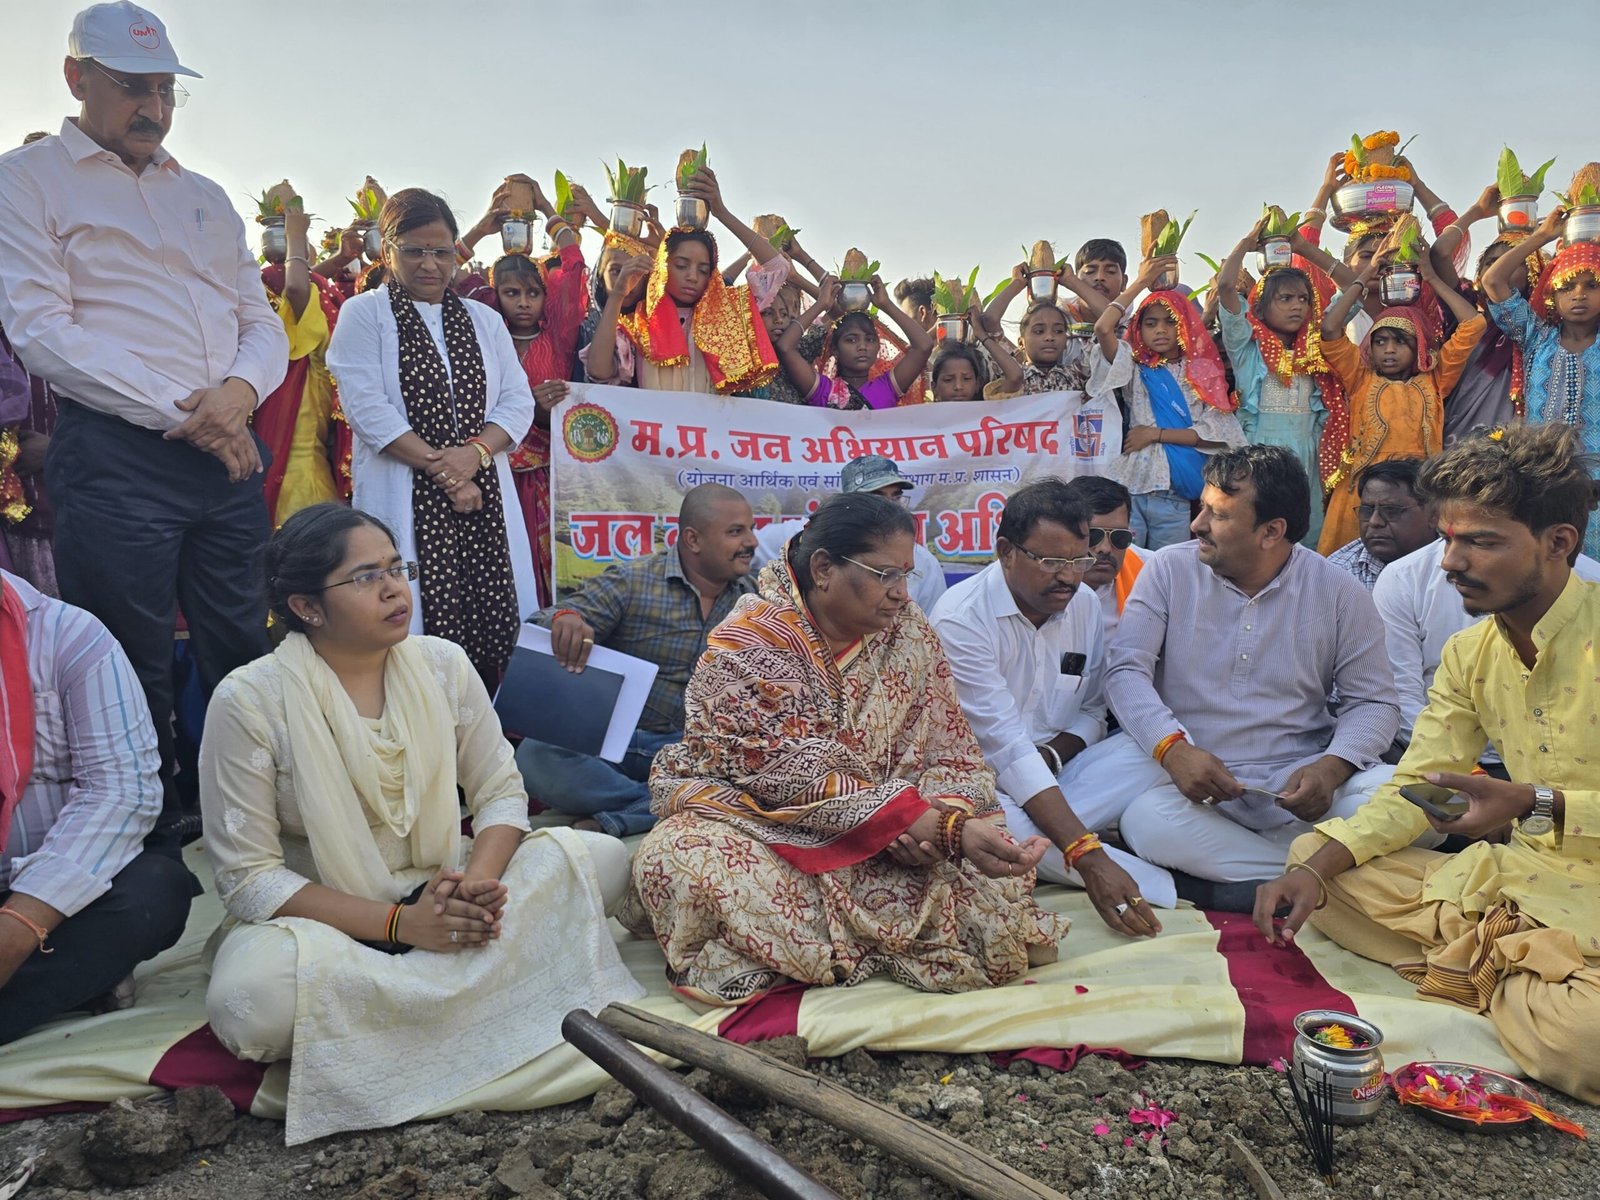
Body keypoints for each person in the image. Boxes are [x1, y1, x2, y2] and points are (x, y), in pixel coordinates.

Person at [199, 505, 642, 1144]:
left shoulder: (441, 663)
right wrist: (403, 925)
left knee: (602, 859)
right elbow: (249, 879)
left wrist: (477, 887)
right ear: (306, 607)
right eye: (363, 577)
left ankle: (410, 993)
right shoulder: (250, 699)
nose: (393, 588)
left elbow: (499, 791)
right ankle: (471, 984)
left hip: (447, 888)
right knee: (253, 1004)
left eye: (396, 569)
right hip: (328, 920)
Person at [0, 3, 288, 837]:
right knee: (129, 654)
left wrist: (237, 398)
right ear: (75, 78)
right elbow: (43, 329)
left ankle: (249, 808)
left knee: (241, 639)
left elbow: (259, 321)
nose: (153, 110)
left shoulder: (204, 195)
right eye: (132, 88)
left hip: (227, 452)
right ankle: (141, 825)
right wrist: (192, 414)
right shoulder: (26, 180)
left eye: (164, 90)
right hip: (118, 455)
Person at [1254, 424, 1600, 1104]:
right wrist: (1312, 868)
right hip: (1522, 879)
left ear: (1559, 543)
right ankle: (1521, 963)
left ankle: (1501, 965)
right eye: (1448, 539)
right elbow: (1418, 787)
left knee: (1582, 1040)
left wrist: (1539, 805)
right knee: (1319, 869)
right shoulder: (1472, 653)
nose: (1449, 562)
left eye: (1481, 541)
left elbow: (1529, 805)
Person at [621, 493, 1064, 1005]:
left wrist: (943, 820)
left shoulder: (909, 632)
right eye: (884, 576)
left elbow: (952, 749)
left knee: (991, 864)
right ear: (824, 568)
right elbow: (785, 775)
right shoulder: (752, 641)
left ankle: (793, 952)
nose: (901, 594)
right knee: (680, 857)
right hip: (766, 826)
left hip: (900, 837)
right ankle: (780, 946)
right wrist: (919, 821)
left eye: (906, 575)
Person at [1108, 445, 1400, 895]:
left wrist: (1331, 768)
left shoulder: (1339, 591)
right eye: (1202, 508)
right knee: (1147, 822)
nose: (1197, 525)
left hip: (1304, 785)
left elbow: (1374, 702)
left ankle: (1284, 873)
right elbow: (1126, 670)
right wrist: (1173, 750)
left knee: (1396, 795)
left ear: (1271, 531)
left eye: (1218, 515)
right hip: (1197, 783)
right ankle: (1326, 874)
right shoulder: (1168, 570)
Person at [929, 480, 1168, 932]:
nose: (1070, 576)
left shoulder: (1082, 605)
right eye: (1052, 562)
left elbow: (1094, 712)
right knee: (997, 829)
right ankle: (1170, 884)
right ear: (1006, 551)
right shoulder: (961, 618)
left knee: (1162, 746)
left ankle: (1054, 843)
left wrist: (1055, 754)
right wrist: (1088, 857)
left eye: (1078, 560)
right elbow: (1005, 748)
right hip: (986, 783)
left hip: (1064, 774)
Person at [325, 188, 537, 689]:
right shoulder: (366, 314)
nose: (430, 265)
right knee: (410, 629)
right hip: (404, 491)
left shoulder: (484, 320)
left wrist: (476, 453)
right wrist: (446, 469)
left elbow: (517, 401)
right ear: (388, 251)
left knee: (493, 612)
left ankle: (487, 734)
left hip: (484, 495)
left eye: (441, 252)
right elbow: (367, 408)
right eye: (415, 251)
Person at [0, 569, 190, 1044]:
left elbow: (122, 793)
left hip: (49, 904)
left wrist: (19, 924)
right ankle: (63, 988)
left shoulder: (69, 635)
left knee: (153, 891)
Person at [516, 484, 758, 837]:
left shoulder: (754, 600)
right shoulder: (633, 581)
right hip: (617, 742)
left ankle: (630, 814)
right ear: (693, 540)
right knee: (535, 757)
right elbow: (546, 622)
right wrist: (564, 618)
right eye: (736, 531)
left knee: (764, 771)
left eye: (751, 529)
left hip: (696, 754)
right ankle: (666, 805)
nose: (751, 541)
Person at [1315, 250, 1485, 555]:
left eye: (1400, 342)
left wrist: (1431, 277)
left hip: (1420, 492)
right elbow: (1330, 330)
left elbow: (1473, 324)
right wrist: (1363, 280)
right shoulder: (1360, 376)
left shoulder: (1435, 378)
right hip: (1364, 494)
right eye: (1380, 342)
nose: (1389, 351)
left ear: (1419, 345)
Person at [470, 177, 588, 608]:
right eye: (511, 293)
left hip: (547, 470)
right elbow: (444, 283)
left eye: (533, 293)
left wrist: (546, 209)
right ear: (495, 296)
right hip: (493, 465)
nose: (523, 302)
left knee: (547, 563)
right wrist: (483, 229)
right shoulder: (485, 334)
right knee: (502, 563)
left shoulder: (557, 336)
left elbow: (573, 265)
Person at [1092, 255, 1247, 549]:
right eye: (1151, 323)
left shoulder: (1200, 370)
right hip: (1131, 492)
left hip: (1174, 497)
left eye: (1170, 322)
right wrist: (1140, 282)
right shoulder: (1135, 368)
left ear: (1185, 325)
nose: (1160, 330)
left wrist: (1155, 435)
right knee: (1127, 566)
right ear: (1139, 329)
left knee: (1167, 571)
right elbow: (1102, 329)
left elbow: (1221, 435)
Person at [586, 167, 786, 394]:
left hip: (712, 428)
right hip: (656, 428)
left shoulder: (727, 310)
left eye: (703, 270)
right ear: (662, 266)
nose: (692, 276)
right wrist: (618, 294)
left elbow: (777, 268)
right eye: (681, 266)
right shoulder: (641, 320)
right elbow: (599, 372)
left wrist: (721, 212)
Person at [1215, 218, 1346, 548]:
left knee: (1305, 544)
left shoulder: (1316, 345)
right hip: (1256, 457)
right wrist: (1247, 241)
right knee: (1254, 541)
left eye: (1303, 299)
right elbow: (1226, 287)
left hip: (1309, 457)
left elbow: (1353, 284)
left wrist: (1302, 248)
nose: (1297, 306)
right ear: (1261, 305)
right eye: (1285, 298)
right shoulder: (1247, 346)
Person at [1481, 210, 1600, 559]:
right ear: (1552, 294)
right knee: (1546, 565)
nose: (1578, 295)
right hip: (1541, 479)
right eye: (1567, 286)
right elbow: (1493, 281)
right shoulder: (1536, 337)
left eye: (1592, 285)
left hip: (1597, 487)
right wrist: (1539, 238)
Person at [254, 182, 351, 527]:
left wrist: (342, 258)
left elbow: (302, 282)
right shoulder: (289, 292)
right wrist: (295, 234)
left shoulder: (281, 292)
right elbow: (295, 285)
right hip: (297, 434)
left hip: (283, 414)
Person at [1431, 186, 1550, 444]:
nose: (1495, 268)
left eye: (1510, 260)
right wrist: (1476, 211)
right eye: (1489, 261)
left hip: (1514, 456)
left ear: (1533, 270)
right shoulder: (1467, 318)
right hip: (1458, 449)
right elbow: (1439, 253)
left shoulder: (1541, 327)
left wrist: (1538, 238)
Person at [753, 455, 947, 613]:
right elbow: (740, 551)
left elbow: (930, 630)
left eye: (895, 496)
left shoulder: (924, 562)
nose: (889, 506)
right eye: (876, 497)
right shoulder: (803, 534)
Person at [778, 277, 934, 410]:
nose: (862, 346)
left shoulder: (887, 387)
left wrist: (886, 304)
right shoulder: (822, 390)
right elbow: (785, 347)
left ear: (878, 347)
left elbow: (924, 346)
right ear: (835, 349)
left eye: (870, 339)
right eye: (851, 340)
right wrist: (821, 305)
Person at [1325, 459, 1435, 591]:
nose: (1374, 521)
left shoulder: (1456, 566)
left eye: (1390, 510)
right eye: (1367, 510)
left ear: (1432, 514)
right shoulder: (1336, 575)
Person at [1064, 475, 1144, 639]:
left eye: (1119, 537)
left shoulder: (1149, 569)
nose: (1105, 549)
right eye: (1093, 535)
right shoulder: (1037, 580)